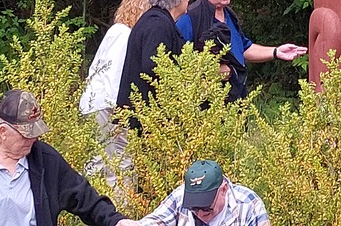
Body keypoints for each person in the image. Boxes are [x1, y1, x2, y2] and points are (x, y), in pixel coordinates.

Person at [0, 89, 136, 226]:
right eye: (26, 135)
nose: (33, 139)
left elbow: (83, 197)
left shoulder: (45, 159)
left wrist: (116, 221)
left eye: (35, 132)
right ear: (3, 132)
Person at [175, 0, 307, 102]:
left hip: (237, 100)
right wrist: (212, 70)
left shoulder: (230, 15)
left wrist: (276, 52)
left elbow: (243, 48)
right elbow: (175, 60)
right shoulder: (190, 18)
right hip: (206, 107)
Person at [116, 0, 189, 115]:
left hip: (146, 113)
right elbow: (153, 64)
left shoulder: (154, 20)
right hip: (145, 116)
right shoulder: (157, 24)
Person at [80, 0, 150, 136]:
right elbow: (114, 72)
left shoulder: (117, 31)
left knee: (103, 155)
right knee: (110, 156)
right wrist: (118, 108)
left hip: (98, 103)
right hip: (105, 106)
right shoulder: (123, 35)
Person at [128, 159, 268, 226]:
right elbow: (156, 221)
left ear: (223, 190)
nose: (200, 214)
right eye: (194, 208)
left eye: (207, 209)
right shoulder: (180, 196)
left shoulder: (250, 205)